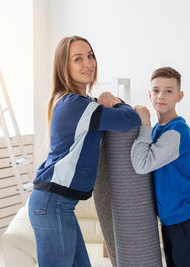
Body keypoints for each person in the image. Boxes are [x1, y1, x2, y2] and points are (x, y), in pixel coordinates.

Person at [28, 36, 141, 267]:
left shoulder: (82, 103)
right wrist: (115, 99)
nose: (88, 63)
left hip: (60, 205)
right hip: (53, 203)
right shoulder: (75, 105)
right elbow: (129, 119)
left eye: (90, 56)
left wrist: (105, 99)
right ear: (64, 67)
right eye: (78, 59)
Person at [131, 67, 190, 267]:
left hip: (186, 220)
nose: (161, 96)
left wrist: (144, 124)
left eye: (169, 91)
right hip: (171, 220)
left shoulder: (177, 131)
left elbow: (142, 164)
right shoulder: (158, 129)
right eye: (156, 90)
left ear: (179, 96)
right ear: (149, 95)